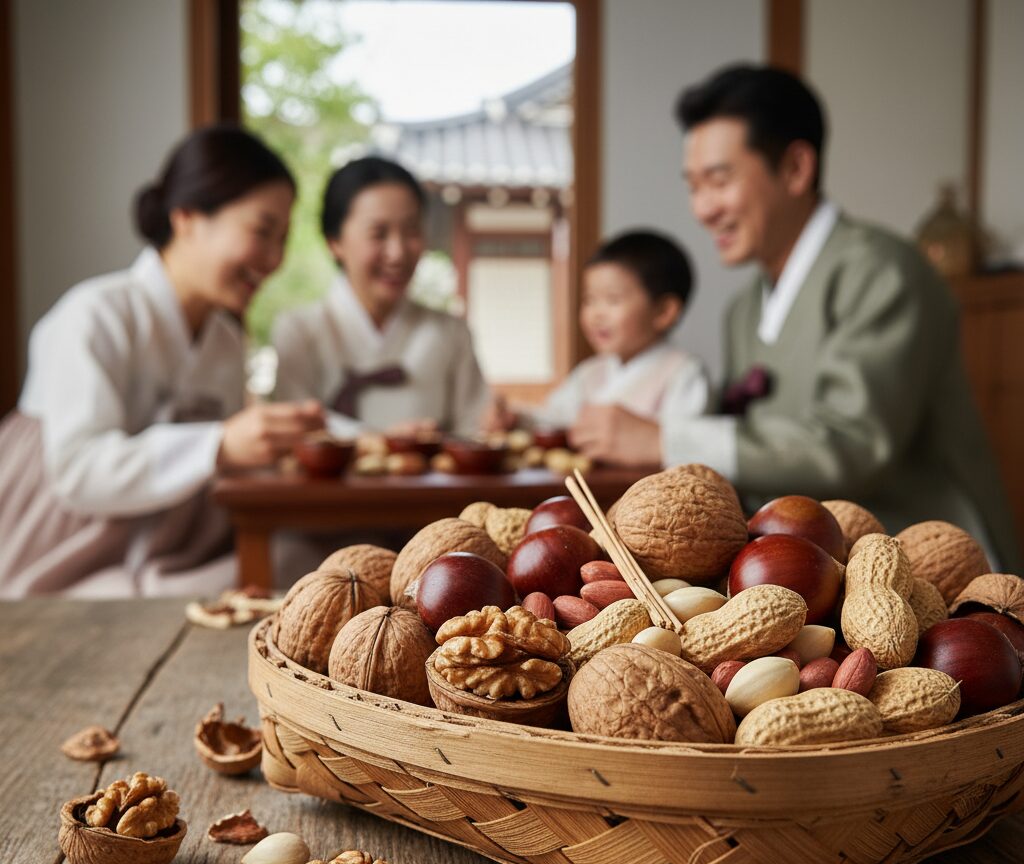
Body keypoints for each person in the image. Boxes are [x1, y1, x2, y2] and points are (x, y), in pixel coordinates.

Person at [596, 63, 1020, 570]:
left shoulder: (885, 270)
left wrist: (665, 437)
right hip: (809, 561)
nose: (703, 208)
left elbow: (852, 446)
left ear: (796, 168)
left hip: (922, 557)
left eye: (719, 180)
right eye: (694, 186)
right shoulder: (745, 307)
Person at [0, 125, 324, 597]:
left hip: (169, 545)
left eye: (283, 240)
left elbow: (224, 463)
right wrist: (219, 445)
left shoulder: (224, 340)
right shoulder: (95, 313)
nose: (274, 259)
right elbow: (77, 471)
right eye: (262, 231)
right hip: (63, 548)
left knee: (311, 563)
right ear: (187, 216)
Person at [271, 156, 489, 438]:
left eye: (412, 230)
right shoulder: (300, 331)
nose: (397, 253)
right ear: (335, 242)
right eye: (378, 233)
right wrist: (382, 443)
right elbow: (295, 436)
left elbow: (476, 432)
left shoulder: (451, 332)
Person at [485, 229, 711, 464]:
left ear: (664, 311)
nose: (596, 314)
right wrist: (517, 419)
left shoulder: (683, 373)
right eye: (589, 300)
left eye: (612, 300)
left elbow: (686, 449)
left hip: (649, 498)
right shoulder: (589, 373)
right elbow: (556, 419)